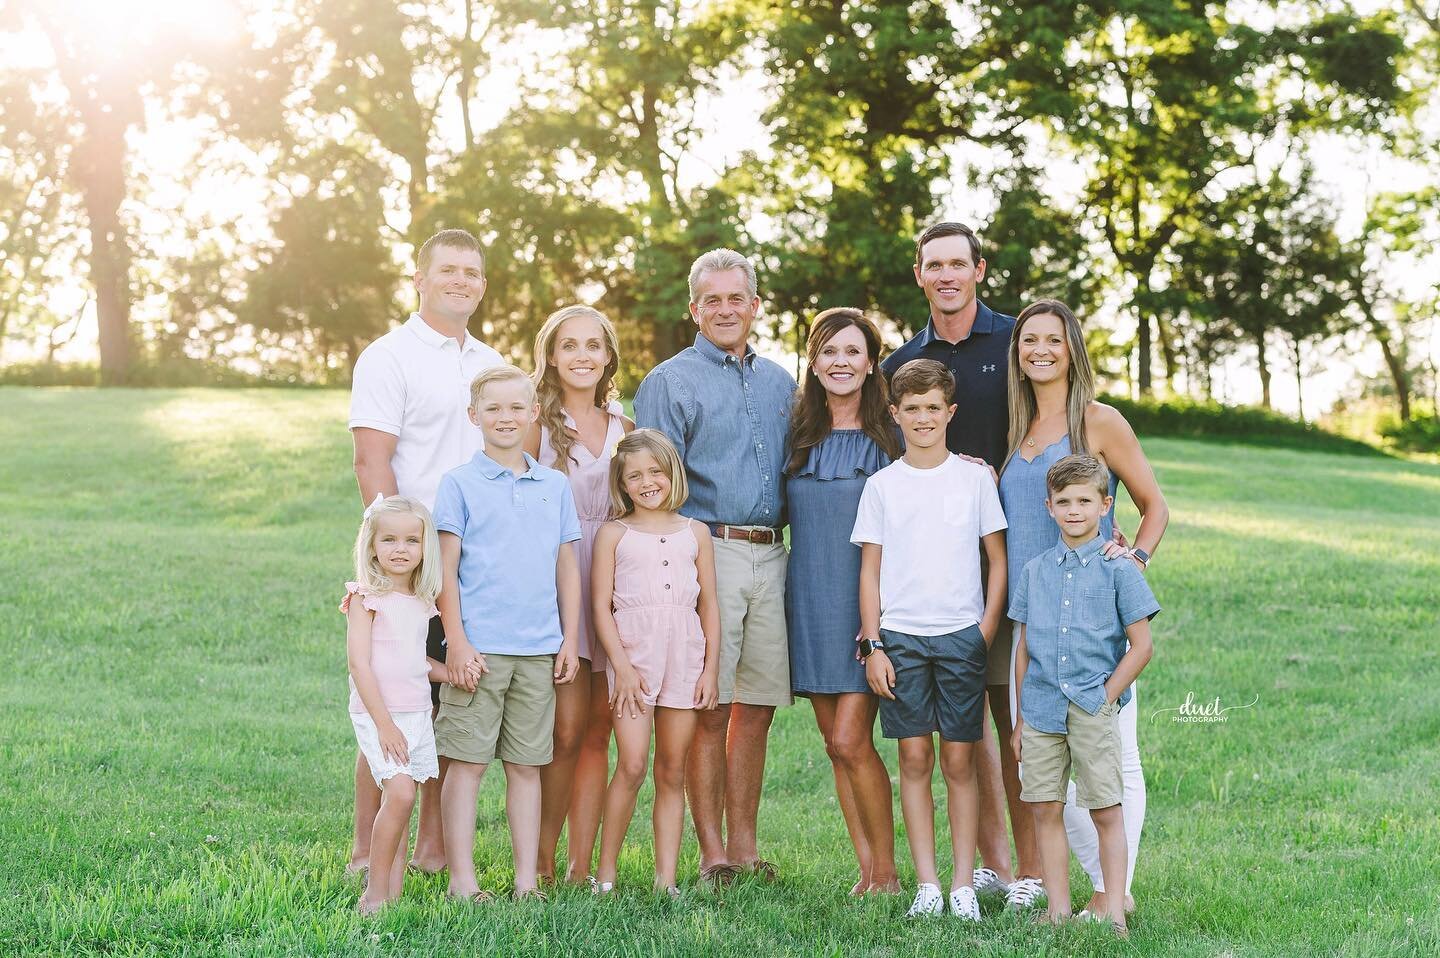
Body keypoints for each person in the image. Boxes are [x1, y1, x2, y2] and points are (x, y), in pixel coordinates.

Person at [997, 298, 1170, 916]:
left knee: (1112, 761)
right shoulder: (1012, 427)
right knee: (1048, 762)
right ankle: (1076, 891)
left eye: (1053, 338)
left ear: (1072, 347)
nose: (1040, 349)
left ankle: (1111, 892)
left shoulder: (1100, 422)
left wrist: (1134, 561)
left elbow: (1155, 505)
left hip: (1095, 625)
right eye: (1028, 340)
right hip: (1033, 625)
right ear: (1017, 353)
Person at [633, 248, 797, 884]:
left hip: (771, 553)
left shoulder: (783, 382)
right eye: (713, 300)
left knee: (756, 705)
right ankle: (711, 854)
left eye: (738, 299)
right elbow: (646, 484)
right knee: (709, 705)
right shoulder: (669, 382)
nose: (726, 310)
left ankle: (747, 849)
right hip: (706, 551)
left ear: (755, 306)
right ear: (693, 308)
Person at [348, 228, 504, 877]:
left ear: (483, 284)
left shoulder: (491, 362)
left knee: (447, 708)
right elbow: (372, 460)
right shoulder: (388, 357)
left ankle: (433, 848)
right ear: (420, 277)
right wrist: (394, 565)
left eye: (471, 271)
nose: (460, 280)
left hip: (473, 562)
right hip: (407, 563)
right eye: (448, 270)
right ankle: (364, 850)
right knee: (393, 697)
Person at [879, 221, 1028, 903]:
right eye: (932, 264)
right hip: (932, 578)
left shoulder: (1014, 340)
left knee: (1015, 720)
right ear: (917, 274)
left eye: (956, 263)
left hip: (1009, 552)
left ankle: (1030, 869)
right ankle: (989, 863)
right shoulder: (902, 362)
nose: (945, 275)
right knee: (967, 735)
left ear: (979, 269)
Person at [852, 359, 1008, 920]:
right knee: (914, 759)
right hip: (902, 640)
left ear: (951, 413)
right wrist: (873, 645)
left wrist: (984, 632)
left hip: (960, 636)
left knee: (960, 762)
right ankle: (927, 884)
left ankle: (963, 883)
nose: (922, 418)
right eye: (911, 409)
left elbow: (997, 561)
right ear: (894, 414)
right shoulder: (882, 486)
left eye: (933, 409)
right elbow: (869, 569)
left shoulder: (973, 481)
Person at [431, 364, 583, 901]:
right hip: (479, 653)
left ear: (534, 413)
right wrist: (458, 642)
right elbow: (444, 572)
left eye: (516, 407)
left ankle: (525, 883)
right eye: (492, 408)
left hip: (539, 651)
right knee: (467, 766)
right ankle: (462, 882)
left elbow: (567, 566)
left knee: (526, 766)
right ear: (474, 417)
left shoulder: (554, 485)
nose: (505, 417)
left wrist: (569, 638)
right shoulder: (459, 485)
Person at [1009, 454, 1160, 936]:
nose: (1074, 510)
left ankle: (1114, 908)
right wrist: (1018, 720)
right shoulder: (1034, 571)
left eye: (1084, 501)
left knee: (1104, 807)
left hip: (1092, 707)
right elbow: (1024, 648)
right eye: (1064, 502)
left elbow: (1142, 647)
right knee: (1045, 808)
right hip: (1041, 709)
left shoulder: (1120, 569)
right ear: (1049, 507)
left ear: (1104, 505)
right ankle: (1056, 909)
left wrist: (1106, 697)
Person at [783, 308, 902, 896]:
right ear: (813, 360)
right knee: (835, 746)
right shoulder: (799, 433)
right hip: (808, 600)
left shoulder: (893, 437)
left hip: (867, 608)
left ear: (872, 362)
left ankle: (888, 873)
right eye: (829, 351)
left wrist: (875, 623)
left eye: (853, 352)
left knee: (854, 740)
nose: (841, 363)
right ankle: (866, 873)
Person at [525, 305, 633, 884]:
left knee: (598, 731)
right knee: (563, 732)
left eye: (594, 345)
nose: (583, 356)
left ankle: (579, 865)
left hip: (613, 581)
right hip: (557, 578)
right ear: (550, 356)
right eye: (569, 346)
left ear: (609, 355)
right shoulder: (536, 424)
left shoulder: (625, 426)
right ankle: (538, 857)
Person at [589, 430, 721, 896]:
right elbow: (600, 606)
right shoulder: (614, 534)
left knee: (672, 768)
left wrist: (709, 669)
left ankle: (666, 880)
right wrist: (621, 667)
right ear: (622, 484)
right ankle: (605, 873)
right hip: (634, 659)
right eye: (635, 476)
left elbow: (709, 606)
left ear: (672, 474)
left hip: (685, 655)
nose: (647, 482)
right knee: (630, 764)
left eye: (655, 471)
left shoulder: (696, 533)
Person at [342, 495, 458, 912]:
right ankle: (373, 889)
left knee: (400, 802)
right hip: (380, 715)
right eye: (388, 539)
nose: (400, 549)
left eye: (411, 540)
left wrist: (452, 672)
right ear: (371, 544)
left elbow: (415, 660)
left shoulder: (422, 603)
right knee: (402, 793)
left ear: (424, 547)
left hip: (416, 714)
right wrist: (384, 723)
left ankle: (392, 889)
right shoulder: (365, 598)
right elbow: (360, 663)